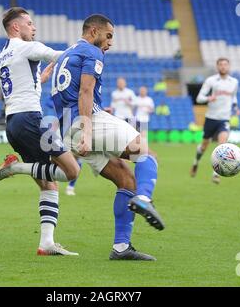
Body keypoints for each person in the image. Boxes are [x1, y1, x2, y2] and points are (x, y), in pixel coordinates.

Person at [52, 14, 165, 261]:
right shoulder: (93, 52)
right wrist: (88, 130)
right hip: (87, 121)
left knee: (125, 178)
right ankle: (144, 199)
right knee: (145, 152)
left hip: (68, 128)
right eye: (109, 36)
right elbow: (85, 90)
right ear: (94, 31)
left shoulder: (66, 53)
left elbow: (69, 94)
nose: (110, 43)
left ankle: (121, 248)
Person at [0, 7, 81, 256]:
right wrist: (86, 50)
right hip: (32, 120)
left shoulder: (0, 59)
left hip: (13, 124)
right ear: (16, 27)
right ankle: (14, 168)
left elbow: (17, 87)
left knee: (48, 184)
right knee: (72, 171)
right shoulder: (26, 47)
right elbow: (60, 56)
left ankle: (46, 243)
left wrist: (38, 80)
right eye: (29, 23)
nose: (34, 27)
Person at [190, 57, 240, 184]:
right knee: (204, 146)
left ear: (229, 67)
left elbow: (233, 97)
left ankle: (216, 173)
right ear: (217, 67)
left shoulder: (234, 82)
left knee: (222, 145)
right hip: (211, 118)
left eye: (225, 65)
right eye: (221, 65)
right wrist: (209, 98)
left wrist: (235, 107)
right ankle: (196, 162)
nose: (223, 67)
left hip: (224, 119)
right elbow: (200, 98)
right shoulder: (211, 81)